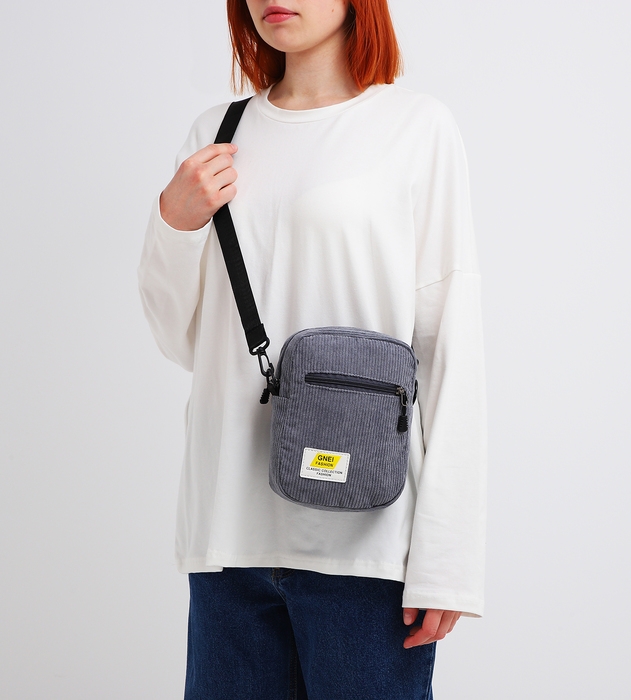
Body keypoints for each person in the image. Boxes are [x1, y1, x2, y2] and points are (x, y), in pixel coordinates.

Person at [138, 0, 487, 697]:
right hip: (228, 535)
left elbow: (449, 344)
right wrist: (174, 221)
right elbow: (181, 339)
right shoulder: (218, 134)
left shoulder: (415, 128)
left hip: (364, 541)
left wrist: (447, 562)